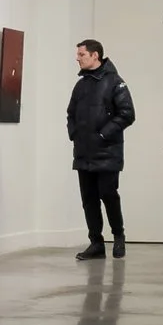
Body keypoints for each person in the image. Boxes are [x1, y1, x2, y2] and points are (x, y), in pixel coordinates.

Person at [68, 38, 134, 260]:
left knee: (108, 195)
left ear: (95, 55)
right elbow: (71, 114)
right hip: (83, 153)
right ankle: (96, 243)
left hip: (107, 153)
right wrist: (74, 134)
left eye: (81, 55)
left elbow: (127, 114)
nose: (77, 58)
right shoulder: (81, 85)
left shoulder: (115, 82)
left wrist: (104, 134)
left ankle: (118, 236)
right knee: (89, 199)